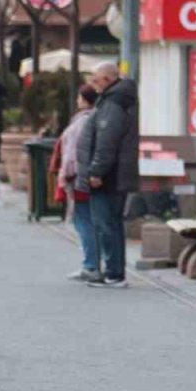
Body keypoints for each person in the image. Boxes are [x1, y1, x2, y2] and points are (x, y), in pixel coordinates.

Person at [76, 63, 139, 289]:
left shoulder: (113, 103)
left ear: (109, 79)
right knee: (111, 223)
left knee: (106, 225)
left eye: (97, 79)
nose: (93, 84)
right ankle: (114, 272)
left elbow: (106, 142)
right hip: (115, 172)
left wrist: (96, 171)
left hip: (108, 175)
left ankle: (113, 273)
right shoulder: (117, 99)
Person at [54, 84, 100, 283]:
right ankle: (92, 263)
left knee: (83, 221)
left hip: (79, 176)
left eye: (80, 97)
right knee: (88, 220)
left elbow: (73, 151)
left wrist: (65, 173)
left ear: (85, 99)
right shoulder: (95, 118)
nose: (76, 100)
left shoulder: (83, 121)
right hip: (87, 174)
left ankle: (91, 265)